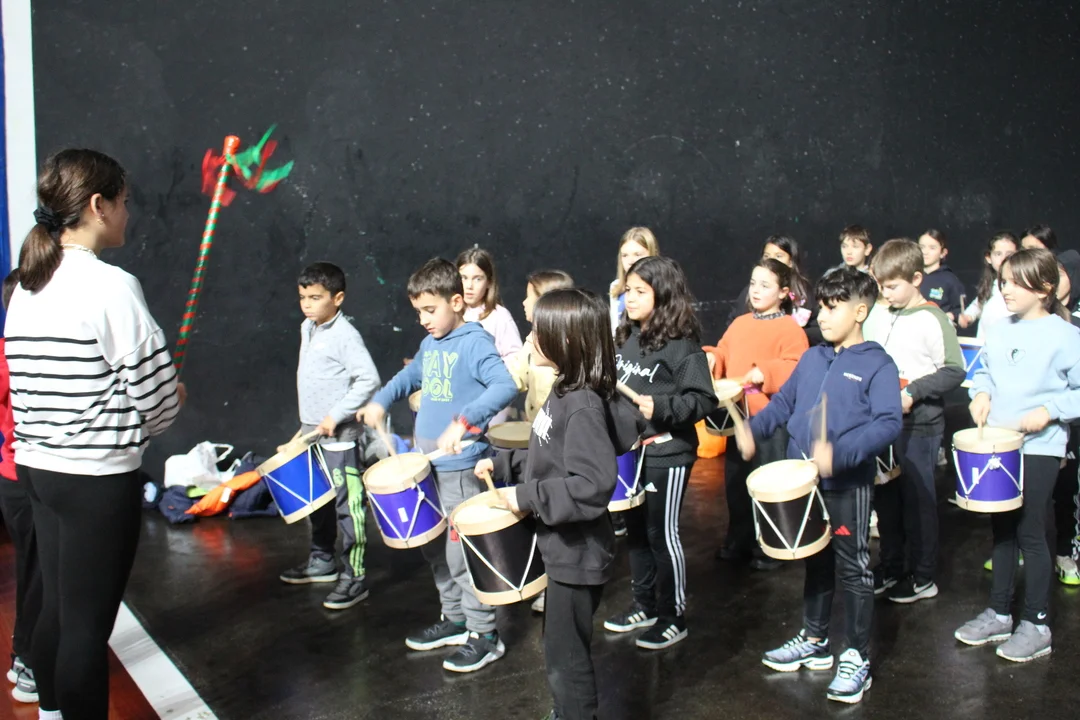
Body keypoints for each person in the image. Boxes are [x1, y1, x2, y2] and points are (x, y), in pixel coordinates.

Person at [6, 149, 184, 719]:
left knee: (58, 610)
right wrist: (171, 398)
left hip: (39, 470)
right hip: (95, 480)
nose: (129, 213)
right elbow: (158, 405)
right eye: (125, 202)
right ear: (97, 205)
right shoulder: (112, 286)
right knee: (86, 628)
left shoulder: (28, 284)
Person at [735, 266, 902, 704]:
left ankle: (857, 656)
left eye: (832, 308)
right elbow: (784, 405)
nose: (822, 316)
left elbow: (888, 423)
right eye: (821, 307)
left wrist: (840, 455)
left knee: (853, 567)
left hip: (847, 484)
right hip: (805, 481)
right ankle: (814, 639)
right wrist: (752, 429)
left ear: (860, 311)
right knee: (816, 560)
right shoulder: (813, 357)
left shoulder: (878, 364)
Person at [477, 288, 642, 720]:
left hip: (577, 552)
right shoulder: (564, 390)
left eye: (538, 331)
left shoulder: (581, 404)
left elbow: (592, 485)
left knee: (566, 659)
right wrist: (506, 463)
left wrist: (525, 496)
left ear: (566, 341)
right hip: (564, 546)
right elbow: (551, 455)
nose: (530, 338)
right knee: (559, 649)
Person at [359, 258, 517, 673]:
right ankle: (456, 619)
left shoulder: (474, 341)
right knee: (435, 551)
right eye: (418, 312)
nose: (423, 320)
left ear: (456, 302)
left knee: (462, 556)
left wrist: (466, 421)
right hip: (428, 466)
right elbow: (410, 377)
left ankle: (485, 635)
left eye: (430, 310)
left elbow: (505, 385)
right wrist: (380, 400)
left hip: (461, 469)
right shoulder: (432, 344)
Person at [955, 248, 1080, 662]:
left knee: (1030, 531)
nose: (1005, 289)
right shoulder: (1000, 329)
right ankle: (999, 612)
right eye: (1003, 281)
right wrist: (981, 393)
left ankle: (1037, 623)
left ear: (1044, 288)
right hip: (1001, 442)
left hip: (1041, 447)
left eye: (1014, 283)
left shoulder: (1067, 336)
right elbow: (985, 372)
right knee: (1003, 530)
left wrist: (1051, 411)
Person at [603, 256, 717, 650]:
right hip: (632, 454)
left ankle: (673, 617)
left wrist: (663, 407)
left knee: (661, 533)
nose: (630, 298)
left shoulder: (682, 346)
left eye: (640, 291)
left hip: (667, 453)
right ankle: (645, 604)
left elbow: (704, 399)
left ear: (663, 295)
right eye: (628, 290)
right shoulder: (625, 338)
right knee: (637, 533)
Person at [277, 262, 383, 610]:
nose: (307, 305)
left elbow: (368, 379)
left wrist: (335, 416)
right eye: (303, 298)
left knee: (347, 507)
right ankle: (322, 559)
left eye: (316, 298)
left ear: (337, 298)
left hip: (340, 439)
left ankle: (355, 577)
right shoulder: (308, 328)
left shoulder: (345, 335)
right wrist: (305, 427)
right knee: (318, 502)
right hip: (312, 433)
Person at [867, 239, 965, 603]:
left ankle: (923, 577)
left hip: (920, 425)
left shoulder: (932, 318)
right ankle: (892, 566)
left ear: (917, 279)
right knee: (887, 500)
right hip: (883, 424)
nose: (885, 293)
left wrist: (913, 391)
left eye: (892, 286)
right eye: (881, 286)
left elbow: (954, 370)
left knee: (918, 501)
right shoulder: (881, 312)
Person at [704, 259, 808, 569]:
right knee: (737, 484)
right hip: (739, 418)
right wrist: (713, 358)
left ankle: (771, 545)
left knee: (768, 483)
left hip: (770, 421)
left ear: (784, 292)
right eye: (753, 283)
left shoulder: (790, 328)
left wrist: (767, 371)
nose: (756, 290)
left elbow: (797, 367)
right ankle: (739, 540)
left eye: (765, 285)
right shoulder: (740, 323)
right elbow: (724, 350)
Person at [507, 269, 574, 615]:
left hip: (560, 445)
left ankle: (560, 583)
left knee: (557, 513)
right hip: (537, 438)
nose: (522, 302)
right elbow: (515, 378)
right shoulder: (531, 340)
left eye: (529, 297)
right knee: (540, 513)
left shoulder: (564, 347)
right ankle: (546, 577)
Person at [0, 270, 41, 704]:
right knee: (39, 577)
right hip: (26, 483)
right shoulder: (16, 355)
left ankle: (23, 656)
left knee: (34, 573)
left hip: (17, 483)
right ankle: (29, 662)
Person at [727, 235, 821, 345]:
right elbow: (733, 325)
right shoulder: (751, 292)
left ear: (791, 262)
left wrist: (788, 336)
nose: (771, 260)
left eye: (778, 256)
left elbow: (817, 330)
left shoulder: (803, 293)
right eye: (767, 256)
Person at [457, 246, 523, 361]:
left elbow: (516, 358)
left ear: (489, 282)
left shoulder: (499, 316)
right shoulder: (450, 312)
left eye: (477, 279)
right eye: (464, 278)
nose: (469, 286)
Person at [958, 231, 1018, 338]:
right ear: (989, 258)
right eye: (998, 254)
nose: (1004, 259)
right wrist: (967, 316)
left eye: (1009, 254)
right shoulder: (990, 284)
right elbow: (977, 305)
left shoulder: (1021, 286)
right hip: (985, 344)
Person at [609, 227, 660, 332]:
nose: (631, 261)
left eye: (637, 255)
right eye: (625, 255)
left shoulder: (662, 285)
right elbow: (615, 328)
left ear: (652, 253)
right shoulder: (616, 287)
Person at [918, 229, 966, 321]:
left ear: (943, 253)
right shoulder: (910, 276)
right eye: (922, 247)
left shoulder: (950, 280)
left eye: (932, 248)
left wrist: (950, 316)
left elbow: (960, 309)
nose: (925, 252)